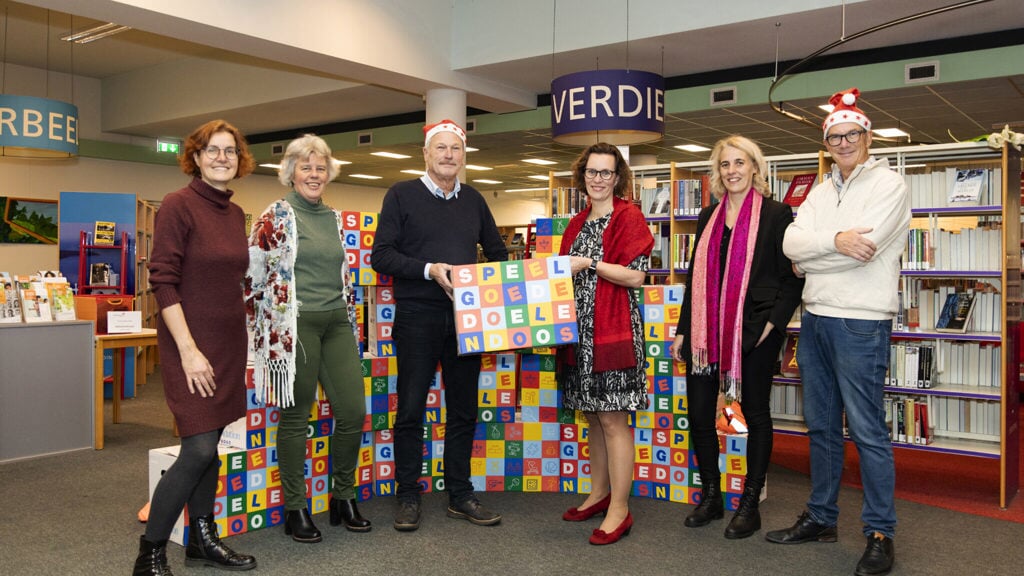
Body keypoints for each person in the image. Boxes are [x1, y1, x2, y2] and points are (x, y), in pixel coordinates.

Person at [767, 88, 910, 576]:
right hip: (815, 318)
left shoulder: (890, 184)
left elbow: (866, 244)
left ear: (867, 137)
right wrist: (833, 241)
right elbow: (790, 242)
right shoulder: (820, 191)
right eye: (835, 136)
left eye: (852, 134)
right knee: (822, 427)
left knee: (867, 430)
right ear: (826, 143)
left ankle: (879, 532)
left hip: (861, 319)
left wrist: (815, 252)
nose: (844, 142)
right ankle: (822, 518)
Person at [370, 119, 508, 531]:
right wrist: (430, 269)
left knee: (464, 409)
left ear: (463, 156)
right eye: (441, 148)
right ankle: (408, 495)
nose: (449, 155)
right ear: (426, 154)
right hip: (418, 317)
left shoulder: (474, 199)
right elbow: (382, 256)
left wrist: (483, 282)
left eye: (456, 149)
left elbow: (499, 253)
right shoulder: (401, 195)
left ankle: (460, 494)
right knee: (411, 408)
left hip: (468, 320)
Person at [135, 119, 257, 575]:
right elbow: (163, 281)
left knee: (214, 447)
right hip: (191, 345)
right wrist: (187, 349)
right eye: (212, 150)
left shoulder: (233, 212)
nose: (222, 157)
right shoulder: (177, 205)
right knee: (200, 448)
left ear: (238, 159)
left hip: (228, 344)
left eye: (229, 150)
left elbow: (229, 280)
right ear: (197, 157)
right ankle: (149, 554)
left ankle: (202, 539)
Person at [668, 135, 804, 539]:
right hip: (704, 335)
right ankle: (711, 495)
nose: (732, 171)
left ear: (755, 168)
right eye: (725, 164)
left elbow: (793, 279)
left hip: (753, 333)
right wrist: (682, 331)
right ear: (717, 172)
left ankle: (749, 503)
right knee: (699, 415)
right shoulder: (707, 216)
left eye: (740, 163)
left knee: (756, 415)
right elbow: (695, 277)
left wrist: (774, 325)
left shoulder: (778, 215)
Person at [244, 134, 370, 543]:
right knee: (298, 416)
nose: (314, 175)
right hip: (294, 327)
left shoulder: (332, 217)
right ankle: (295, 507)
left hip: (337, 323)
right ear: (291, 172)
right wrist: (265, 328)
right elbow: (251, 277)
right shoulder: (275, 215)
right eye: (306, 167)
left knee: (352, 410)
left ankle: (343, 496)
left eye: (320, 168)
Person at [558, 142, 653, 545]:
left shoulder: (628, 217)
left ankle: (620, 508)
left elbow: (636, 277)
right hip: (578, 335)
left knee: (614, 420)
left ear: (618, 178)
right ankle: (598, 494)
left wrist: (589, 263)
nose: (598, 180)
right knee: (593, 416)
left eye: (606, 173)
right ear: (582, 177)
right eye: (592, 172)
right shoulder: (576, 222)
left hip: (613, 333)